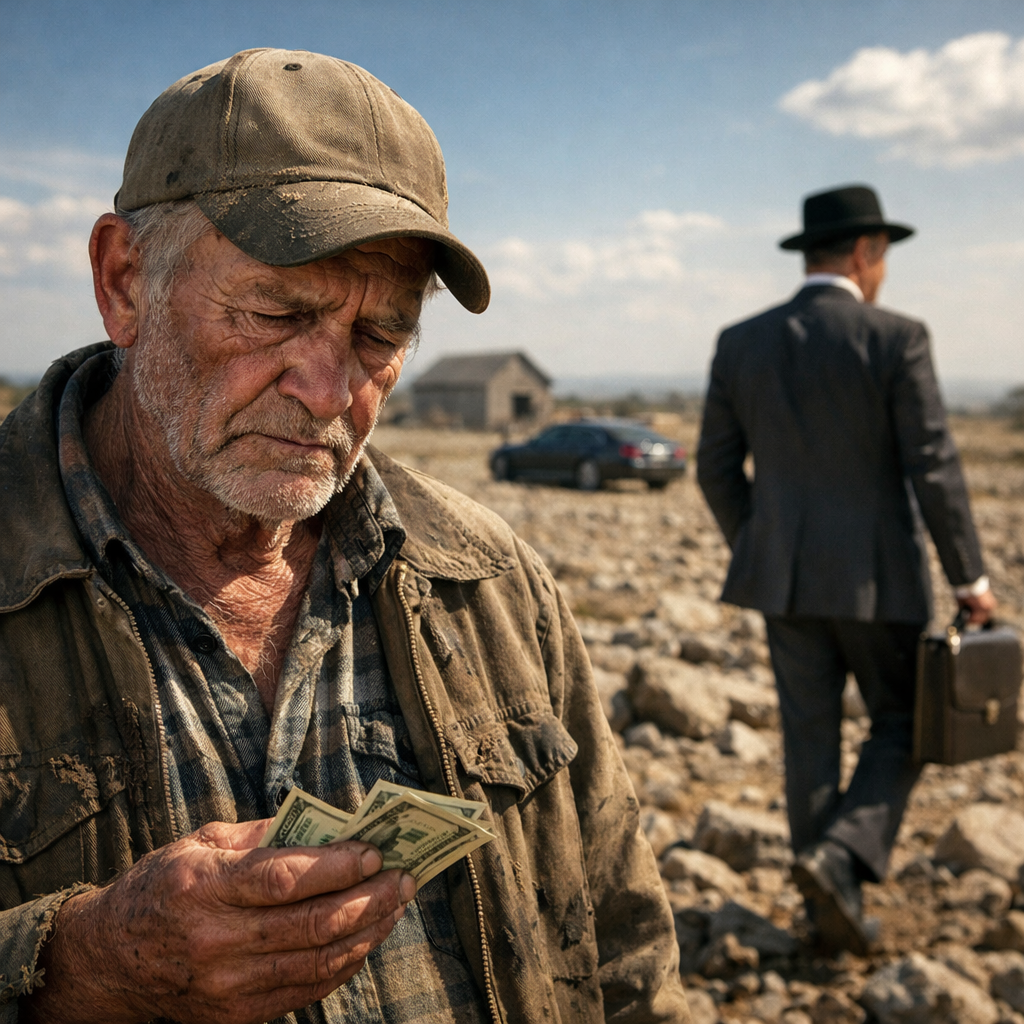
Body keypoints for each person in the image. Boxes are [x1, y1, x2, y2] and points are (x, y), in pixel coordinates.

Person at [0, 50, 690, 1024]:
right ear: (123, 281)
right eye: (277, 312)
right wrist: (79, 968)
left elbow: (626, 954)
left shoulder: (488, 578)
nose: (328, 393)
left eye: (380, 338)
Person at [696, 184, 995, 955]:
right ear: (866, 253)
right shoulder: (897, 337)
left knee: (810, 740)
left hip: (784, 583)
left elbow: (715, 469)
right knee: (905, 721)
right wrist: (970, 580)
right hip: (880, 580)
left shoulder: (742, 341)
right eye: (884, 257)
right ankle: (840, 861)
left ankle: (826, 909)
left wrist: (761, 543)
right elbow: (933, 466)